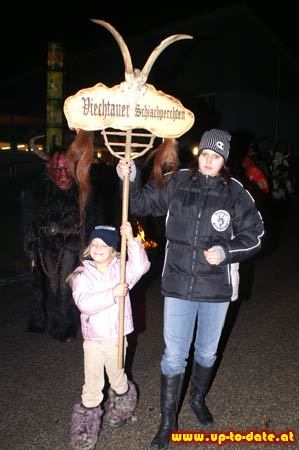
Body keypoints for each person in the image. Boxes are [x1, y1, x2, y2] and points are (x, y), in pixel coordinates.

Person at [116, 129, 264, 450]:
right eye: (205, 154)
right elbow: (140, 202)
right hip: (178, 284)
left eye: (216, 156)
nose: (209, 161)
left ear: (225, 160)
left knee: (208, 352)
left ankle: (197, 398)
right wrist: (132, 175)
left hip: (216, 289)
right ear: (199, 154)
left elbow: (256, 234)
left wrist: (227, 251)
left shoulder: (236, 193)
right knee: (173, 357)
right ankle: (168, 422)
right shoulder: (178, 181)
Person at [69, 222, 150, 450]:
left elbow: (142, 266)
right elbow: (84, 303)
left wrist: (132, 240)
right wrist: (113, 294)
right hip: (93, 341)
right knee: (92, 384)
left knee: (117, 377)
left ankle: (123, 409)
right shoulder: (81, 274)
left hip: (116, 338)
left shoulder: (122, 271)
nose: (97, 248)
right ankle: (84, 431)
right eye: (94, 243)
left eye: (103, 245)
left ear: (114, 250)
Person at [22, 133, 103, 342]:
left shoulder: (83, 189)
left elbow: (91, 218)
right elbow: (30, 219)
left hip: (71, 244)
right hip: (47, 245)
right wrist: (31, 245)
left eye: (67, 169)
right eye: (58, 170)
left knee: (66, 284)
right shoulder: (38, 190)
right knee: (53, 285)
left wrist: (90, 246)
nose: (64, 175)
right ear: (50, 170)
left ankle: (65, 326)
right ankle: (57, 321)